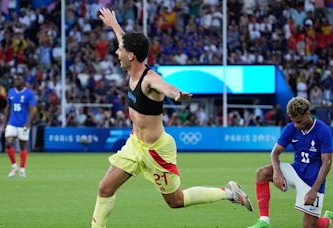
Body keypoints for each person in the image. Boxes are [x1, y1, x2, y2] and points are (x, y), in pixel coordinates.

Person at [92, 8, 253, 228]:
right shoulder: (132, 67)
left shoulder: (150, 79)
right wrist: (114, 25)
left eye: (120, 50)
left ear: (131, 55)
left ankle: (229, 193)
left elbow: (165, 86)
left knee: (176, 201)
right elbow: (125, 41)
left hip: (157, 150)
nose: (116, 53)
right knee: (105, 188)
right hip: (135, 144)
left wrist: (176, 94)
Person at [248, 97, 333, 228]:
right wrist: (277, 173)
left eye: (299, 121)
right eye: (293, 121)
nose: (296, 125)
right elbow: (275, 153)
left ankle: (326, 220)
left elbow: (326, 163)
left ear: (307, 114)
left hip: (313, 180)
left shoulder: (323, 131)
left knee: (310, 225)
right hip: (296, 170)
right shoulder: (291, 128)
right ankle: (264, 221)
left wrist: (314, 190)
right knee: (263, 173)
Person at [3, 73, 36, 177]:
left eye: (18, 79)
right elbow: (8, 108)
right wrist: (5, 123)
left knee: (23, 147)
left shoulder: (29, 93)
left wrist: (28, 122)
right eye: (15, 79)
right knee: (8, 143)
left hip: (23, 124)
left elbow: (32, 109)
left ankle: (22, 169)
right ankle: (14, 166)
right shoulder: (11, 92)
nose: (16, 81)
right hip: (12, 122)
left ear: (23, 81)